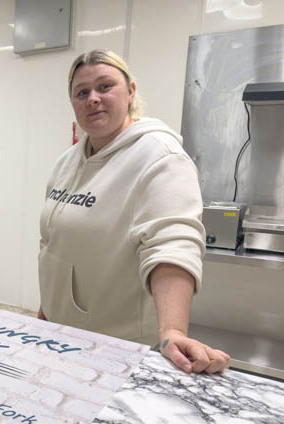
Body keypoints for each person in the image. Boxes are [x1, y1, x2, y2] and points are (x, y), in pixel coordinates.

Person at [38, 49, 230, 374]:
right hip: (60, 334)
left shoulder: (159, 157)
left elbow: (172, 244)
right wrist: (48, 309)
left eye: (105, 87)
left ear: (130, 92)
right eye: (82, 92)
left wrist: (173, 331)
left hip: (116, 346)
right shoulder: (67, 161)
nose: (93, 99)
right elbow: (54, 244)